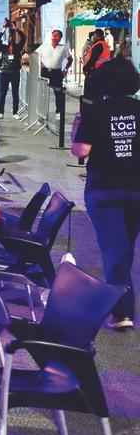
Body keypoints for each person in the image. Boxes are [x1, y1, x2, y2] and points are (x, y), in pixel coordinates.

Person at [72, 57, 140, 330]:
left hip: (104, 189)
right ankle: (123, 303)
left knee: (115, 250)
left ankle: (122, 311)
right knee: (125, 248)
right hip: (136, 187)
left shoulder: (96, 112)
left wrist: (77, 127)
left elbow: (81, 151)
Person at [0, 19, 25, 116]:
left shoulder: (18, 47)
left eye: (12, 37)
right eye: (9, 37)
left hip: (15, 71)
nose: (11, 39)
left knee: (15, 92)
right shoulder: (4, 47)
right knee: (3, 92)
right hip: (5, 71)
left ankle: (15, 112)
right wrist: (4, 29)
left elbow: (23, 38)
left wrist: (17, 29)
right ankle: (1, 112)